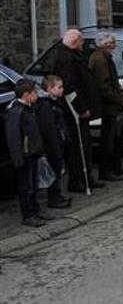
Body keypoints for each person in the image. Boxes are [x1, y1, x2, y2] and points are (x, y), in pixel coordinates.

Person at [52, 29, 105, 192]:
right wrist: (81, 109)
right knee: (79, 146)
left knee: (85, 144)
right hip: (73, 111)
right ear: (76, 42)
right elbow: (69, 88)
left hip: (79, 108)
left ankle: (86, 177)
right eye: (81, 42)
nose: (83, 45)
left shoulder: (71, 56)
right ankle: (77, 180)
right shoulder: (66, 59)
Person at [5, 80, 55, 227]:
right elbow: (14, 138)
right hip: (25, 157)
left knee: (33, 185)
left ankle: (35, 210)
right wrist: (18, 159)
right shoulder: (17, 112)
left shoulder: (28, 109)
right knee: (26, 187)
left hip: (33, 154)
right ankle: (28, 214)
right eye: (34, 93)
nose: (36, 95)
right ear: (26, 95)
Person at [89, 32, 123, 181]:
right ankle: (106, 171)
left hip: (109, 104)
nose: (114, 46)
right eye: (112, 44)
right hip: (107, 106)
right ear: (106, 45)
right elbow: (103, 85)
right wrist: (119, 99)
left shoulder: (103, 58)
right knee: (108, 140)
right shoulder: (100, 60)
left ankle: (115, 167)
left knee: (114, 138)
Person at [36, 75, 72, 209]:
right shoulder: (46, 105)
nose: (62, 90)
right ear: (50, 88)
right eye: (59, 87)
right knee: (54, 171)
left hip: (58, 142)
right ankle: (54, 198)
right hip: (52, 146)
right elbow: (48, 129)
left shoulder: (54, 102)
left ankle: (57, 195)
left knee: (58, 170)